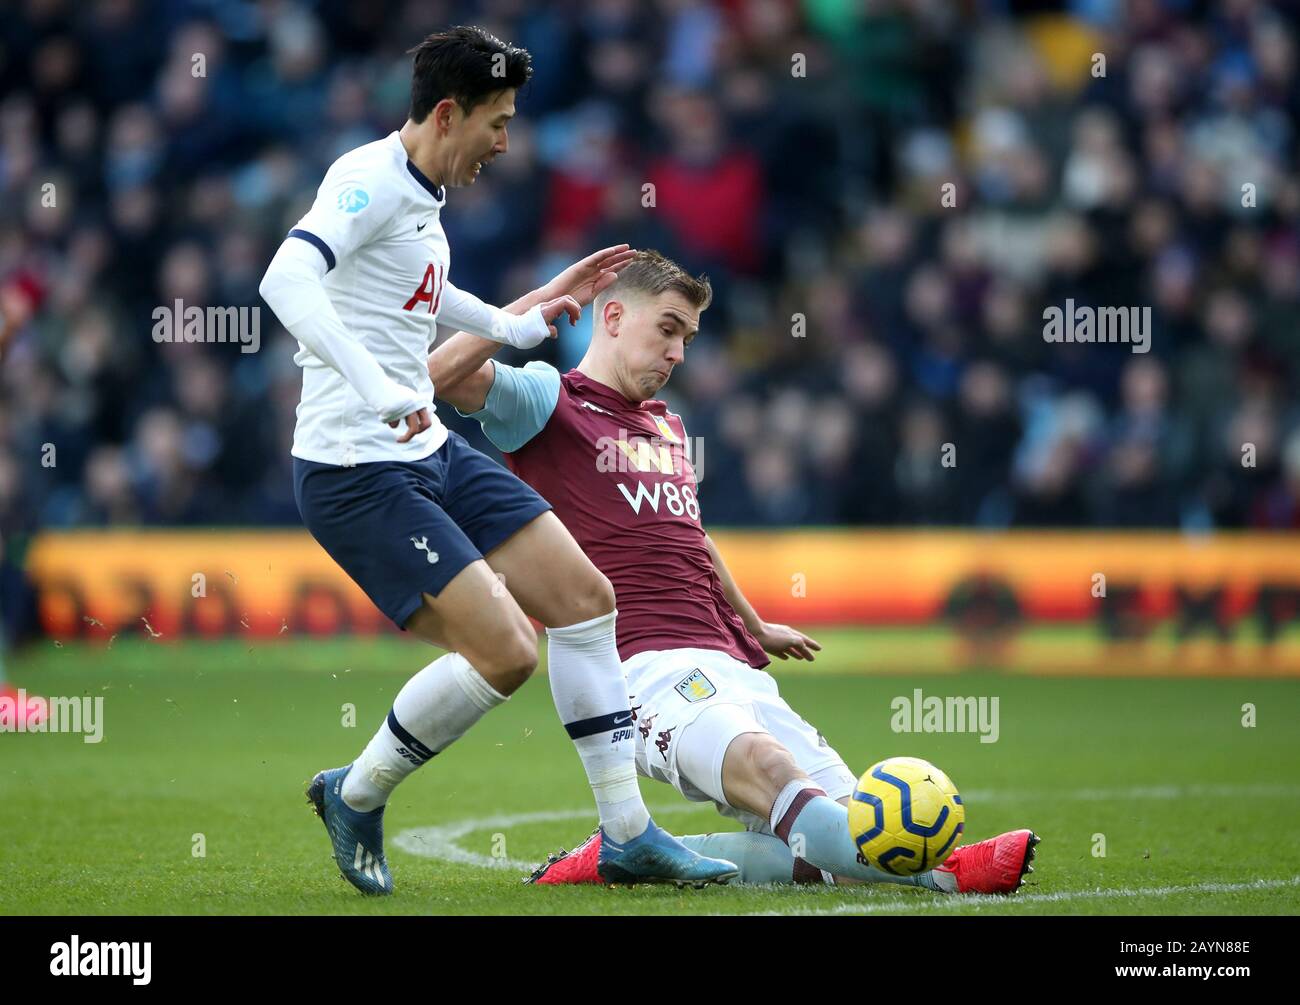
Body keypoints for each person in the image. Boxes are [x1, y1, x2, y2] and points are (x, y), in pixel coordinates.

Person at [257, 28, 736, 895]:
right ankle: (355, 794)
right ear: (449, 114)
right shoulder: (365, 182)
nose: (507, 142)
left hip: (428, 452)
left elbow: (425, 300)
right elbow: (283, 282)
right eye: (499, 122)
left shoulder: (420, 195)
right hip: (356, 473)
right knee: (510, 651)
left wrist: (527, 319)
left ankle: (627, 834)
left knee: (587, 603)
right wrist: (376, 386)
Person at [428, 250, 1037, 892]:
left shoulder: (667, 425)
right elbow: (436, 376)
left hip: (730, 663)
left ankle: (619, 854)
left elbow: (691, 538)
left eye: (688, 339)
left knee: (839, 836)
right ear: (611, 316)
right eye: (666, 329)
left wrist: (753, 622)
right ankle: (945, 875)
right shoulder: (549, 400)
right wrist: (535, 303)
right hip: (641, 670)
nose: (679, 353)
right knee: (775, 775)